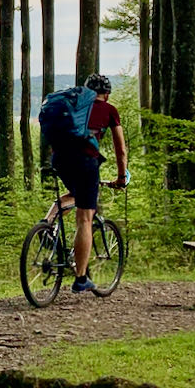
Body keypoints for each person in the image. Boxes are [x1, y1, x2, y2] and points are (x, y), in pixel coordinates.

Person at [49, 73, 128, 293]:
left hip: (59, 158)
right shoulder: (109, 110)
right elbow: (121, 150)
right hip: (85, 161)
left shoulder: (73, 106)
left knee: (73, 195)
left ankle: (47, 226)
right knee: (85, 218)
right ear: (107, 94)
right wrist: (122, 178)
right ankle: (81, 279)